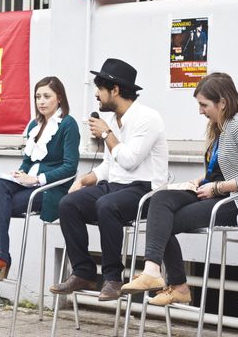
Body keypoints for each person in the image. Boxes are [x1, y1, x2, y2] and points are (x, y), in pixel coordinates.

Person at [121, 72, 238, 306]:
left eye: (204, 105)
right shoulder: (220, 125)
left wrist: (218, 187)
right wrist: (201, 180)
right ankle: (155, 272)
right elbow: (221, 166)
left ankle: (177, 286)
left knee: (163, 221)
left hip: (237, 201)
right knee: (158, 201)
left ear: (222, 102)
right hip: (212, 191)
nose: (200, 111)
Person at [49, 58, 169, 301]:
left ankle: (113, 278)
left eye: (99, 89)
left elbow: (129, 161)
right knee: (68, 204)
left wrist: (105, 132)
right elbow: (109, 165)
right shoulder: (113, 120)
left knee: (107, 205)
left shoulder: (148, 118)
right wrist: (85, 179)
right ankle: (83, 271)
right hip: (113, 186)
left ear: (114, 90)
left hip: (145, 191)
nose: (96, 94)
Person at [0, 76, 80, 280]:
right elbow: (28, 161)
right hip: (28, 185)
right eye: (37, 96)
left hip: (50, 189)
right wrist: (19, 174)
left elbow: (70, 167)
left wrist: (38, 179)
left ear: (59, 98)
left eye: (46, 96)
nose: (41, 101)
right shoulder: (34, 125)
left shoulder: (68, 124)